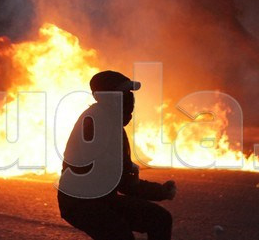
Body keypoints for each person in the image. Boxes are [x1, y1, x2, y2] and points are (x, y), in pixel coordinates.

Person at [58, 70, 176, 240]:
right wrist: (161, 192)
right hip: (80, 203)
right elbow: (125, 183)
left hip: (103, 199)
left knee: (160, 219)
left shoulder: (111, 124)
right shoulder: (97, 125)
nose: (130, 101)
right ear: (110, 99)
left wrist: (161, 191)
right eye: (124, 95)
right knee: (120, 235)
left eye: (129, 95)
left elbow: (124, 179)